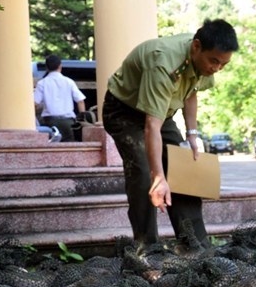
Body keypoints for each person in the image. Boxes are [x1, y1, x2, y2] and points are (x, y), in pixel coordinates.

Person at [102, 19, 239, 248]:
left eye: (223, 65)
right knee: (144, 174)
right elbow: (150, 127)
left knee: (184, 170)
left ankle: (194, 244)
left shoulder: (203, 60)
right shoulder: (163, 63)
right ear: (196, 46)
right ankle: (147, 248)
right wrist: (159, 178)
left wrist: (192, 135)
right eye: (214, 61)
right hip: (124, 112)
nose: (216, 68)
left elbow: (191, 92)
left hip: (161, 113)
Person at [34, 54, 87, 142]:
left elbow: (35, 103)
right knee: (69, 147)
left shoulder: (42, 83)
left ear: (47, 68)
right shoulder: (69, 82)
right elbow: (80, 101)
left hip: (49, 122)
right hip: (68, 123)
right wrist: (81, 118)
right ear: (60, 66)